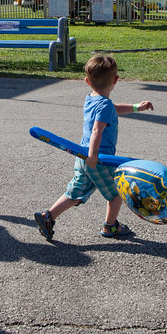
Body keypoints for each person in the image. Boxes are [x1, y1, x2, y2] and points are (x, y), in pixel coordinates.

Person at [33, 54, 154, 241]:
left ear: (87, 81)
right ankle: (110, 226)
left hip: (83, 158)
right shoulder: (104, 105)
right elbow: (97, 130)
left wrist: (137, 107)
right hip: (99, 159)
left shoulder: (91, 99)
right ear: (115, 80)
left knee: (76, 192)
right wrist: (94, 154)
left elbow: (113, 108)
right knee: (116, 193)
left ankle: (48, 216)